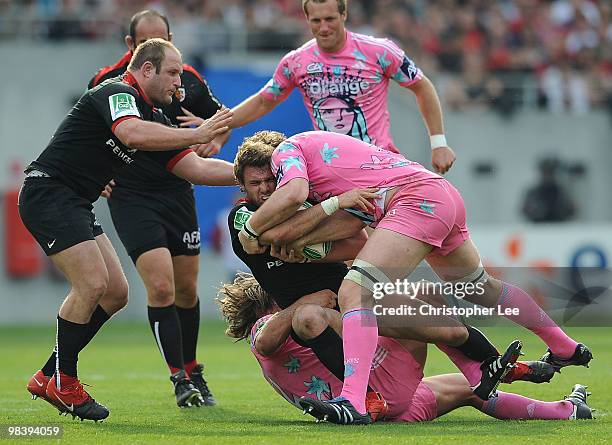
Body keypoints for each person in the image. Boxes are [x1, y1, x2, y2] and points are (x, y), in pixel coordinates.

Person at [236, 130, 592, 425]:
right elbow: (344, 221)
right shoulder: (320, 168)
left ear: (279, 165)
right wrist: (309, 228)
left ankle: (354, 401)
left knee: (354, 292)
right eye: (257, 183)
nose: (269, 189)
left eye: (272, 179)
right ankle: (561, 348)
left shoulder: (290, 156)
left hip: (415, 200)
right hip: (440, 193)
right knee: (478, 287)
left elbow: (298, 207)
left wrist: (256, 231)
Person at [22, 39, 235, 421]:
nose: (179, 82)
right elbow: (130, 134)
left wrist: (254, 175)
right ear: (147, 70)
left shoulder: (154, 119)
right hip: (49, 193)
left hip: (75, 201)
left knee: (116, 293)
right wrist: (199, 134)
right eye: (172, 72)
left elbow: (197, 170)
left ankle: (49, 373)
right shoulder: (118, 92)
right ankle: (64, 382)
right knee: (91, 284)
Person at [217, 273, 594, 423]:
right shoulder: (268, 326)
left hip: (392, 409)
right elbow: (267, 340)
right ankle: (492, 366)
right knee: (425, 297)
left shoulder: (290, 336)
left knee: (470, 394)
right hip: (375, 393)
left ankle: (567, 411)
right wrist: (305, 301)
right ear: (268, 303)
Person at [88, 9, 228, 408]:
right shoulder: (108, 83)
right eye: (147, 40)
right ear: (131, 46)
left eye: (164, 38)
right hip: (131, 195)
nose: (160, 49)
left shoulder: (183, 77)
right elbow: (86, 133)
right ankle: (179, 379)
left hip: (179, 187)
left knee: (186, 287)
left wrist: (213, 138)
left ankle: (194, 366)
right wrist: (96, 173)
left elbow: (223, 118)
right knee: (162, 286)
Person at [228, 0, 456, 174]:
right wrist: (218, 126)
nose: (324, 28)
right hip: (329, 168)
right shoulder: (296, 61)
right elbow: (263, 101)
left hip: (377, 165)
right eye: (316, 21)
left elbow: (422, 87)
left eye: (330, 19)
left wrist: (439, 143)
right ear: (307, 20)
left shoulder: (379, 51)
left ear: (344, 14)